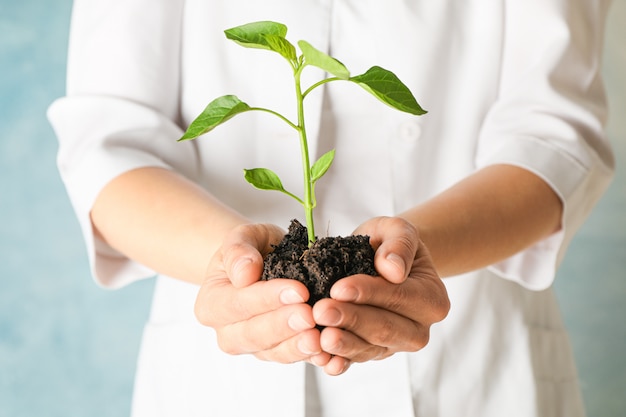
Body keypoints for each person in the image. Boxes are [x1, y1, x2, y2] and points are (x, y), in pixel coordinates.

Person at [48, 1, 615, 416]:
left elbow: (554, 138)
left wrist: (409, 253)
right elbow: (108, 143)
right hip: (223, 383)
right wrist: (239, 265)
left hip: (473, 366)